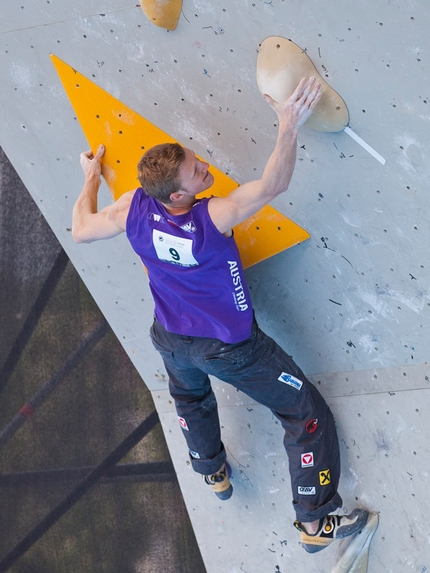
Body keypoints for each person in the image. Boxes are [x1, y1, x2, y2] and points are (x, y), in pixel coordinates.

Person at [72, 77, 368, 553]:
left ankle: (211, 471)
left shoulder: (131, 208)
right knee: (305, 414)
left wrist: (90, 176)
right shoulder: (212, 218)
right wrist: (287, 124)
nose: (205, 168)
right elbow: (275, 183)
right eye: (195, 172)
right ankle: (315, 524)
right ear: (176, 197)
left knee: (191, 401)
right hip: (232, 350)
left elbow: (81, 228)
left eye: (195, 159)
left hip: (170, 338)